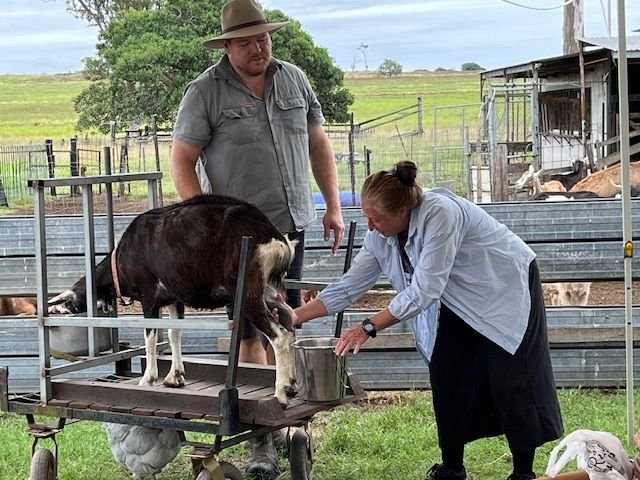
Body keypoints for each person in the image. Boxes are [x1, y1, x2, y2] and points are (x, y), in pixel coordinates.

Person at [278, 161, 564, 480]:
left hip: (505, 287)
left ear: (402, 212)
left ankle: (523, 473)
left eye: (375, 219)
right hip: (461, 298)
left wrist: (368, 327)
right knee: (447, 372)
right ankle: (452, 469)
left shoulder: (440, 213)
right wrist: (293, 315)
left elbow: (426, 288)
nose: (370, 226)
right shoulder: (382, 233)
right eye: (366, 218)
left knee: (512, 379)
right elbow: (350, 285)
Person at [169, 0, 345, 478]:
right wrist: (204, 224)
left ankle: (283, 412)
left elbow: (318, 142)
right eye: (246, 41)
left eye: (263, 37)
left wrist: (332, 206)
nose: (258, 47)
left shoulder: (294, 78)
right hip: (238, 241)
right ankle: (261, 441)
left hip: (291, 225)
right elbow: (182, 160)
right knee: (248, 330)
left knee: (285, 319)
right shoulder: (204, 92)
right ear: (226, 45)